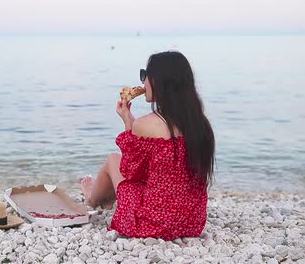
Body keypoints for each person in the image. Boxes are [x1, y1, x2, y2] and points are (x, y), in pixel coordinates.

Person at [80, 51, 215, 240]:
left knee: (113, 160)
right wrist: (130, 121)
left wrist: (128, 122)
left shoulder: (146, 124)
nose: (143, 82)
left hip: (152, 224)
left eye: (145, 76)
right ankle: (106, 198)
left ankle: (92, 199)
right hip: (191, 222)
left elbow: (131, 172)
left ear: (159, 82)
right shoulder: (200, 125)